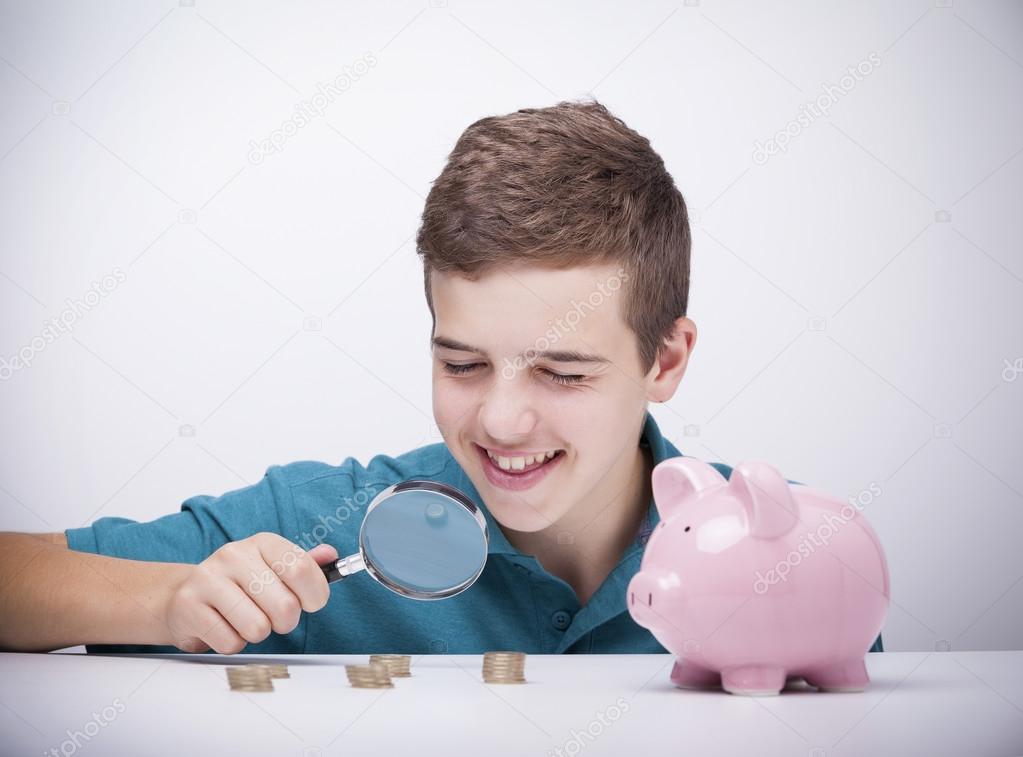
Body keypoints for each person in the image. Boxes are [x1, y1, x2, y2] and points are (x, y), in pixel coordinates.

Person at [0, 100, 883, 655]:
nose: (500, 420)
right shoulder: (322, 527)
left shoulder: (790, 549)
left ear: (666, 359)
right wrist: (168, 600)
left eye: (562, 371)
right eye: (461, 362)